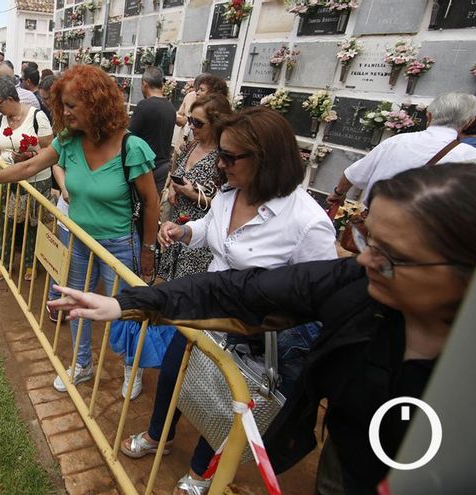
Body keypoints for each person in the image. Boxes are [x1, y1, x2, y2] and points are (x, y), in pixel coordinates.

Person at [49, 163, 476, 495]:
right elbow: (244, 291)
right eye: (364, 239)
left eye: (390, 256)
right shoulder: (357, 284)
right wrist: (127, 302)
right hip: (348, 467)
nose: (364, 261)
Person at [123, 106, 338, 493]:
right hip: (204, 311)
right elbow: (212, 228)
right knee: (173, 375)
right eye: (219, 154)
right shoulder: (232, 191)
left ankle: (201, 472)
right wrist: (186, 232)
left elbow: (315, 297)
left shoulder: (307, 223)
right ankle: (160, 434)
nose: (219, 165)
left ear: (266, 158)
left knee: (221, 403)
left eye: (228, 157)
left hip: (249, 334)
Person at [0, 65, 160, 397]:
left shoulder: (131, 148)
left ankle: (130, 368)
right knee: (74, 305)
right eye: (61, 105)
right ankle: (82, 365)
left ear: (96, 105)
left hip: (119, 247)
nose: (63, 113)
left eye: (71, 105)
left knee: (126, 312)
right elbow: (30, 166)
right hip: (76, 239)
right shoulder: (68, 141)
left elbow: (151, 203)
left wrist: (149, 252)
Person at [326, 92, 476, 204]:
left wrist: (338, 194)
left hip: (373, 227)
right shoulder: (470, 157)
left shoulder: (396, 141)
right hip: (423, 240)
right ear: (468, 122)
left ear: (429, 116)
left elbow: (352, 174)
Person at [157, 93, 233, 281]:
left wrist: (192, 194)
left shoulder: (224, 157)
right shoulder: (191, 146)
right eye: (190, 120)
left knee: (187, 293)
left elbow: (228, 203)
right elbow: (177, 174)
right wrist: (175, 187)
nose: (191, 125)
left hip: (199, 242)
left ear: (216, 124)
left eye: (198, 123)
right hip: (176, 228)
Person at [0, 77, 54, 281]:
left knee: (32, 224)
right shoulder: (1, 120)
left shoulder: (37, 116)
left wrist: (28, 156)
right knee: (6, 222)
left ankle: (30, 264)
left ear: (9, 99)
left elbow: (48, 151)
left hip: (35, 179)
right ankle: (3, 262)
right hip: (9, 178)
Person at [129, 67, 177, 194]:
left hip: (145, 167)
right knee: (154, 205)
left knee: (139, 208)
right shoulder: (170, 107)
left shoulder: (144, 106)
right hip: (163, 166)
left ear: (145, 83)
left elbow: (129, 136)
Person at [172, 74, 229, 154]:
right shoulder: (190, 97)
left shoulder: (215, 150)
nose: (197, 92)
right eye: (191, 120)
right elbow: (180, 114)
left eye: (198, 122)